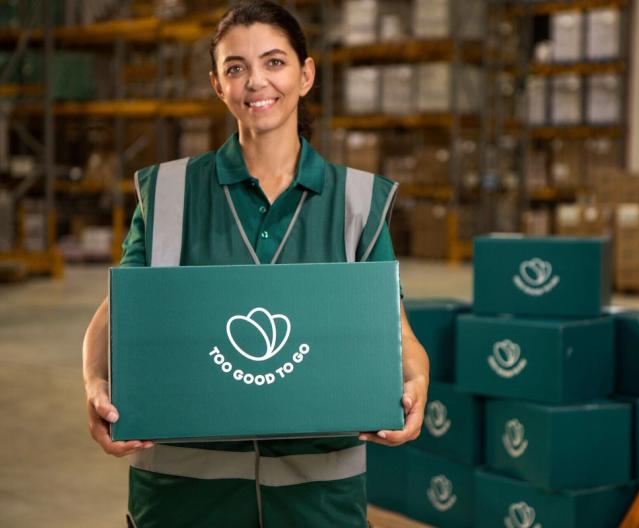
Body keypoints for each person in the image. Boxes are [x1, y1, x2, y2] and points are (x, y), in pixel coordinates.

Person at [81, 2, 429, 526]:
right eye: (236, 68)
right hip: (186, 500)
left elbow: (395, 335)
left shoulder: (357, 199)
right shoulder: (170, 193)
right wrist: (94, 386)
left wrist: (417, 383)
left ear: (306, 74)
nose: (256, 82)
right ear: (218, 85)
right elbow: (115, 318)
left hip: (315, 504)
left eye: (274, 62)